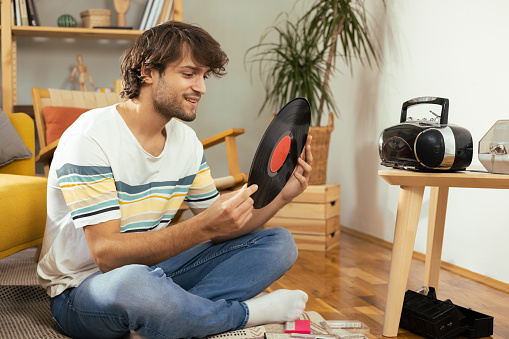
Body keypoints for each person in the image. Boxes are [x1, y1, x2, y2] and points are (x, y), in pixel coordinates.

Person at [37, 21, 313, 339]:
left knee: (279, 244)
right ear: (148, 71)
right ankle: (245, 314)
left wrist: (284, 195)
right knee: (134, 286)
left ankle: (177, 314)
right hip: (84, 291)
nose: (202, 87)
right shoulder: (91, 137)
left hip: (155, 272)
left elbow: (225, 229)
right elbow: (107, 253)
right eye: (189, 73)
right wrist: (202, 227)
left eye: (204, 76)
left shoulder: (187, 142)